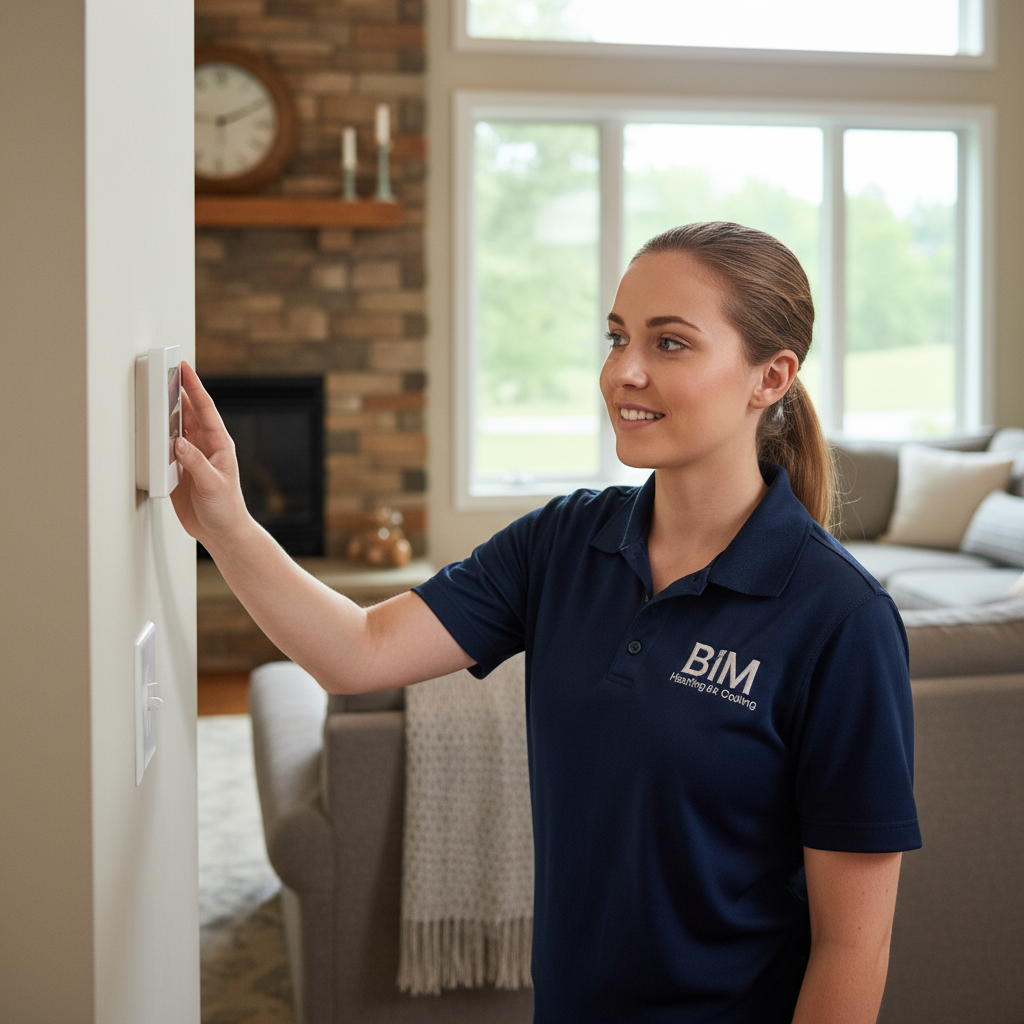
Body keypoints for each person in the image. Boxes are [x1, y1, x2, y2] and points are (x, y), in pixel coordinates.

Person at [172, 221, 921, 1024]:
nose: (622, 372)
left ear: (769, 377)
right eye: (617, 336)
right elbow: (357, 652)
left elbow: (853, 944)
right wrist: (225, 522)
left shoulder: (842, 619)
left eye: (670, 344)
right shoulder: (565, 542)